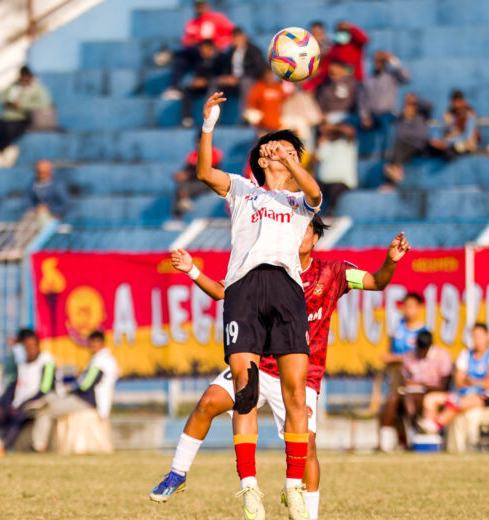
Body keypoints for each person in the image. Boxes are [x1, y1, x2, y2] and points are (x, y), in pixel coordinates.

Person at [149, 215, 410, 520]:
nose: (296, 233)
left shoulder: (333, 273)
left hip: (301, 375)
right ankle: (177, 474)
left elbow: (377, 282)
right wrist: (192, 270)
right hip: (258, 362)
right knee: (207, 402)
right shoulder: (258, 268)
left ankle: (307, 514)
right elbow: (223, 292)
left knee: (308, 447)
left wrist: (390, 261)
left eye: (304, 230)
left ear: (315, 238)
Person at [195, 91, 323, 520]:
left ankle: (293, 489)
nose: (279, 153)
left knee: (295, 393)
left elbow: (316, 192)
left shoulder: (298, 202)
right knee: (245, 389)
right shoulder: (243, 190)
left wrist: (289, 160)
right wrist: (209, 124)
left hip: (286, 289)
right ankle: (250, 488)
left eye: (289, 151)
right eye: (273, 149)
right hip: (244, 289)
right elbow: (203, 172)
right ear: (259, 160)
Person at [0, 330, 55, 451]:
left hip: (39, 401)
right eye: (27, 347)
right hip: (19, 403)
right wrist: (1, 405)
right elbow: (13, 387)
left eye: (33, 346)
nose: (30, 349)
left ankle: (4, 444)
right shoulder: (21, 363)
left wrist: (21, 404)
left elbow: (45, 389)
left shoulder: (46, 361)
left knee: (19, 413)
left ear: (38, 346)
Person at [30, 331, 120, 452]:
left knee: (46, 409)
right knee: (49, 402)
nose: (93, 348)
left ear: (102, 344)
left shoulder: (100, 362)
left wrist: (69, 390)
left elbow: (85, 385)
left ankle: (38, 445)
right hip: (88, 399)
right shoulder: (106, 360)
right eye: (91, 345)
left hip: (86, 400)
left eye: (95, 345)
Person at [419, 323, 489, 434]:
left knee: (459, 402)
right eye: (474, 336)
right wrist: (478, 382)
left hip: (484, 397)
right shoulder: (465, 354)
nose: (477, 340)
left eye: (479, 336)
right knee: (430, 399)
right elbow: (459, 382)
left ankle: (436, 425)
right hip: (462, 394)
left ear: (487, 336)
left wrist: (472, 381)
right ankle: (430, 436)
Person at [379, 330, 453, 453]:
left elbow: (443, 385)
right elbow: (404, 378)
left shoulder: (442, 356)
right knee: (392, 399)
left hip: (431, 394)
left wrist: (422, 385)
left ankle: (413, 436)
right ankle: (384, 441)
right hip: (409, 394)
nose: (421, 352)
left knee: (410, 399)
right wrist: (407, 384)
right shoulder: (410, 357)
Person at [0, 66, 51, 168]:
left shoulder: (37, 88)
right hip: (6, 118)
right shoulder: (14, 86)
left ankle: (4, 151)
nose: (24, 80)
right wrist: (8, 102)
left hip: (21, 119)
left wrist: (22, 105)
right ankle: (2, 150)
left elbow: (44, 103)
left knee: (9, 131)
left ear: (30, 77)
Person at [162, 0, 234, 101]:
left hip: (214, 52)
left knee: (188, 52)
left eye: (202, 6)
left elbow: (231, 32)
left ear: (207, 6)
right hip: (197, 54)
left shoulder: (217, 18)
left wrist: (219, 44)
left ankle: (171, 54)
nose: (200, 8)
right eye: (198, 6)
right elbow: (187, 41)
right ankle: (174, 87)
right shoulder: (192, 23)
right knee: (181, 60)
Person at [358, 50, 411, 160]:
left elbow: (406, 77)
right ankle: (363, 155)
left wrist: (392, 60)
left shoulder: (391, 76)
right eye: (376, 61)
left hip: (388, 113)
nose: (378, 63)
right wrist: (364, 116)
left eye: (381, 61)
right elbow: (362, 100)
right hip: (372, 115)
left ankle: (387, 154)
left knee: (387, 123)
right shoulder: (368, 80)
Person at [380, 293, 428, 404]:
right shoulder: (398, 326)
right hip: (395, 371)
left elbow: (421, 357)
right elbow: (391, 347)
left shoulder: (422, 331)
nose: (407, 310)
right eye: (406, 306)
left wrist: (398, 359)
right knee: (392, 397)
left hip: (413, 373)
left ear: (418, 308)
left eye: (411, 306)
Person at [383, 93, 435, 186]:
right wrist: (406, 119)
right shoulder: (402, 118)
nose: (409, 107)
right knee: (395, 150)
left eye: (411, 104)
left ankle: (393, 175)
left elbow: (430, 106)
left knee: (398, 151)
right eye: (407, 104)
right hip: (405, 145)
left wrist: (416, 99)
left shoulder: (422, 115)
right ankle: (394, 172)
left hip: (420, 145)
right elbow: (401, 135)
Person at [179, 39, 230, 128]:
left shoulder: (221, 59)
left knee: (214, 86)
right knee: (187, 90)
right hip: (203, 86)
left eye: (204, 48)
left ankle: (213, 118)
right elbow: (198, 74)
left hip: (218, 86)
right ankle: (187, 119)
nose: (201, 51)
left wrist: (206, 81)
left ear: (211, 48)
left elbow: (222, 76)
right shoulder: (200, 60)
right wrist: (196, 81)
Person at [173, 131, 224, 218]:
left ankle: (185, 200)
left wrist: (189, 175)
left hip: (208, 182)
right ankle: (177, 217)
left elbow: (209, 171)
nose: (198, 144)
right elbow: (186, 169)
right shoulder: (192, 155)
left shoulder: (214, 153)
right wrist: (180, 175)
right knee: (179, 187)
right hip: (193, 181)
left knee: (184, 188)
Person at [304, 21, 368, 89]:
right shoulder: (334, 49)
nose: (341, 33)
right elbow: (324, 71)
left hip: (355, 83)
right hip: (339, 85)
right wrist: (309, 85)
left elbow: (364, 39)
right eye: (339, 31)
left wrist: (351, 27)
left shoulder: (355, 45)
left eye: (343, 31)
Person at [313, 122, 359, 216]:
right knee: (311, 188)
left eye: (332, 132)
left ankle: (330, 213)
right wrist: (319, 145)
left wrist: (331, 127)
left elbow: (350, 132)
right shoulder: (326, 145)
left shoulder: (347, 143)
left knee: (335, 189)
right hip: (324, 182)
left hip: (342, 182)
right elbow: (315, 159)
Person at [216, 27, 267, 111]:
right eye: (233, 37)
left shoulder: (253, 50)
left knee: (245, 83)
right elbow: (226, 67)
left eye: (237, 37)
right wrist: (226, 77)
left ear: (243, 37)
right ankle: (212, 115)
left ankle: (245, 116)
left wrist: (238, 78)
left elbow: (258, 68)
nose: (235, 40)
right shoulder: (230, 52)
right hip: (233, 80)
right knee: (216, 82)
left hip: (248, 79)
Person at [428, 90, 480, 157]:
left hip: (463, 145)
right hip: (447, 143)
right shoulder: (449, 114)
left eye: (458, 102)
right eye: (454, 102)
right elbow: (442, 130)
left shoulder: (470, 115)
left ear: (463, 101)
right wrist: (436, 139)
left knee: (450, 153)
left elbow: (466, 137)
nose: (456, 105)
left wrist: (447, 143)